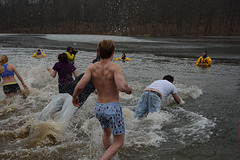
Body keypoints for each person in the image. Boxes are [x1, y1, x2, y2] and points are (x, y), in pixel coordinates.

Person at [72, 40, 132, 160]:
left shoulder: (92, 67)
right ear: (113, 53)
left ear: (98, 52)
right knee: (119, 142)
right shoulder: (115, 67)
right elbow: (121, 86)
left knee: (107, 133)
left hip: (99, 108)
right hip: (112, 108)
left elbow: (79, 86)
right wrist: (129, 89)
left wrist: (74, 96)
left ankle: (107, 154)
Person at [39, 54, 101, 124]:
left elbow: (79, 82)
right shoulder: (99, 80)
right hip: (75, 98)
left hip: (64, 91)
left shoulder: (85, 74)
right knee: (62, 122)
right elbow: (97, 91)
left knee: (43, 115)